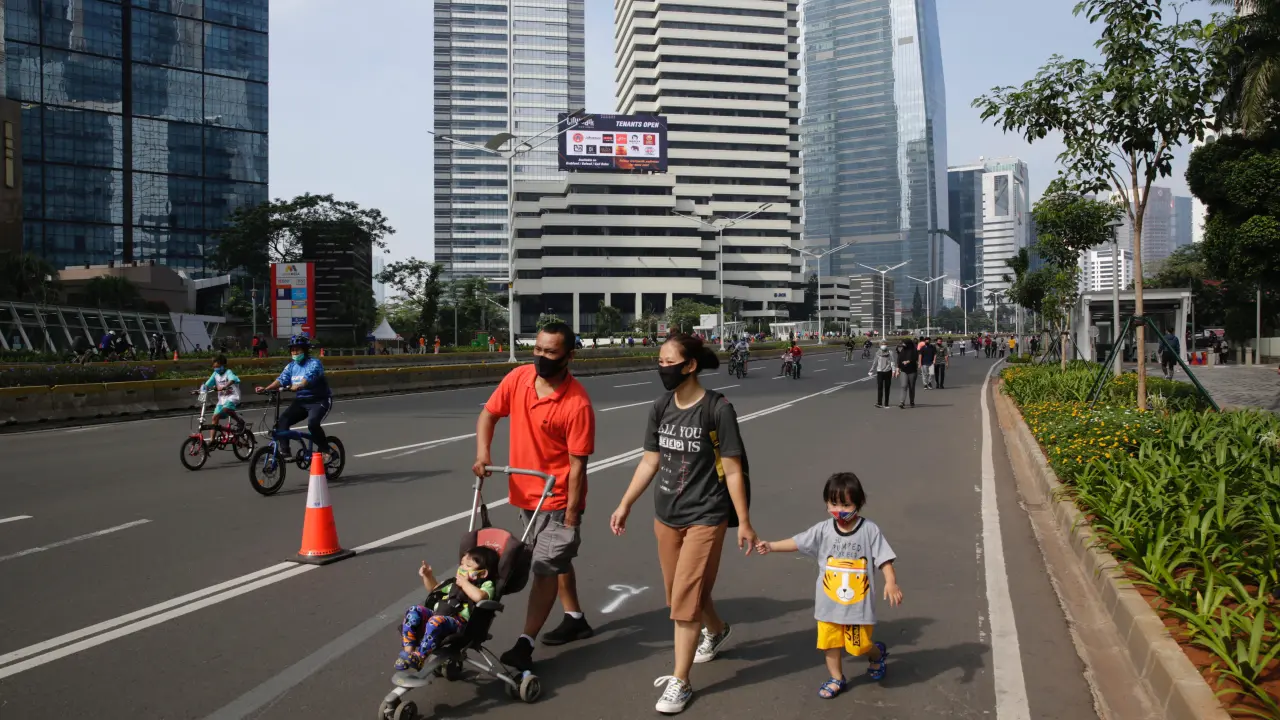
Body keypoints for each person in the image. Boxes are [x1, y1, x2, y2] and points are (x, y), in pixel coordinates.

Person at [610, 333, 755, 714]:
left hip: (706, 515)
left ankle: (681, 680)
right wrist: (625, 503)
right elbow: (649, 461)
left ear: (689, 365)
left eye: (668, 362)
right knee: (680, 594)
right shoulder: (661, 407)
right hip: (666, 516)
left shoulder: (717, 410)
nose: (662, 368)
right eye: (659, 362)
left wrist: (744, 522)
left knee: (684, 603)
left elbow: (733, 470)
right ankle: (718, 630)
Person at [473, 322, 596, 671]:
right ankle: (575, 617)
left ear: (569, 356)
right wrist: (483, 453)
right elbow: (488, 415)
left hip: (557, 497)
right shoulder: (518, 378)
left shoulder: (576, 404)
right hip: (525, 493)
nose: (541, 357)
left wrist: (571, 513)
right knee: (555, 557)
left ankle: (525, 643)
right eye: (538, 349)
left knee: (544, 566)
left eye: (551, 352)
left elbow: (578, 465)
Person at [754, 472, 903, 700]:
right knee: (829, 644)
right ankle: (836, 678)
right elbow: (798, 542)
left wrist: (890, 582)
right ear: (826, 502)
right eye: (834, 504)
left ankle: (876, 654)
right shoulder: (823, 530)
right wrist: (772, 546)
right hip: (828, 606)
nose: (839, 510)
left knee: (859, 646)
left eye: (846, 505)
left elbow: (884, 559)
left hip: (858, 608)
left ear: (858, 503)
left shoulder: (869, 530)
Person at [394, 547, 500, 672]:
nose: (462, 568)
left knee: (435, 621)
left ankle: (420, 657)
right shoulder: (454, 583)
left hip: (460, 624)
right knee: (414, 610)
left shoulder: (486, 585)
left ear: (482, 573)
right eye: (461, 564)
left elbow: (480, 597)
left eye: (467, 566)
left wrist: (465, 583)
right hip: (438, 616)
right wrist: (428, 576)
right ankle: (409, 653)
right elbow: (434, 588)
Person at [254, 334, 333, 457]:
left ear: (305, 350)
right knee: (282, 421)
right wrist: (266, 388)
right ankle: (285, 452)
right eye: (293, 350)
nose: (295, 352)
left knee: (313, 424)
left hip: (319, 401)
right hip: (301, 401)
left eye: (298, 349)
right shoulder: (291, 366)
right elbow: (281, 379)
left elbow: (309, 376)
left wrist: (300, 385)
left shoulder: (314, 363)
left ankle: (326, 450)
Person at [201, 354, 244, 433]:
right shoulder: (215, 374)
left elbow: (232, 380)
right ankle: (212, 439)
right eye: (214, 367)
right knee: (214, 418)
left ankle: (239, 421)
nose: (216, 369)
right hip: (222, 400)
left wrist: (225, 386)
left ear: (223, 365)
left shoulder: (228, 372)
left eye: (218, 366)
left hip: (232, 396)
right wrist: (201, 389)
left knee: (226, 409)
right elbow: (207, 384)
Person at [868, 340, 895, 409]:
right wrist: (871, 370)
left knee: (887, 388)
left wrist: (893, 370)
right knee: (880, 387)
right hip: (880, 372)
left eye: (885, 344)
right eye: (882, 344)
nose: (884, 345)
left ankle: (886, 403)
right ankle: (879, 403)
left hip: (888, 371)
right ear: (880, 345)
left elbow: (892, 362)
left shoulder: (890, 352)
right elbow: (875, 362)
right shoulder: (877, 353)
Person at [896, 338, 918, 409]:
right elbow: (899, 360)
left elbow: (915, 358)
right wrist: (897, 369)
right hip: (903, 370)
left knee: (911, 387)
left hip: (912, 371)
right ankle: (902, 402)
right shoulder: (902, 351)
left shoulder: (914, 350)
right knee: (904, 386)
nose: (903, 345)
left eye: (905, 343)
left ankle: (912, 401)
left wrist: (908, 361)